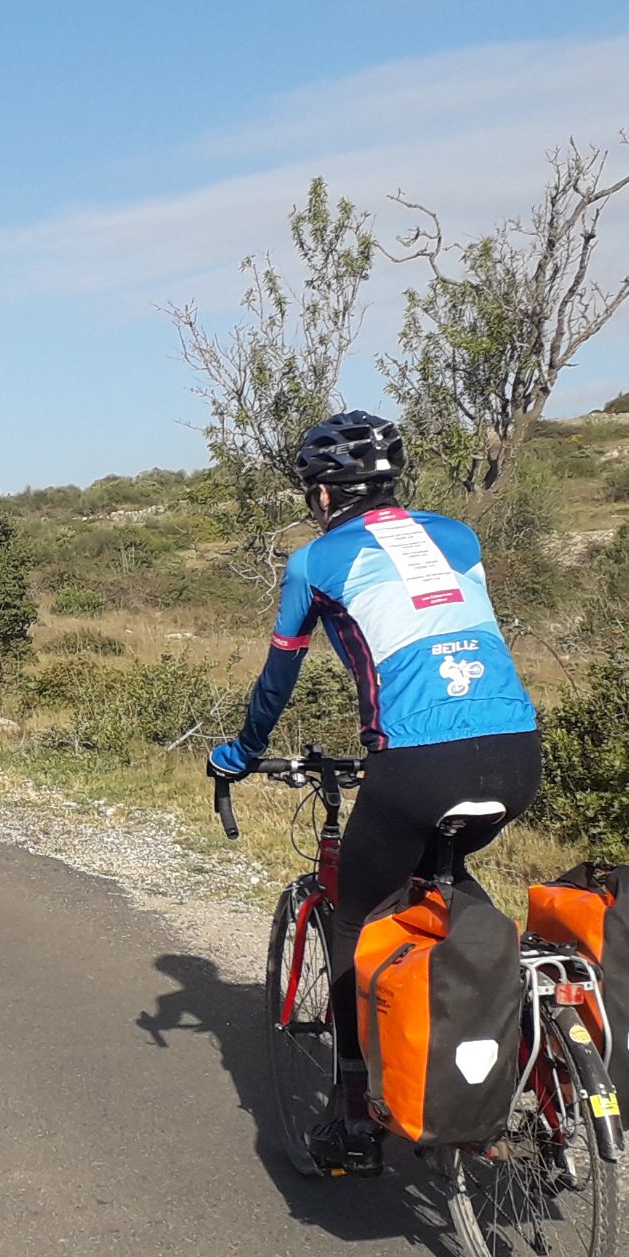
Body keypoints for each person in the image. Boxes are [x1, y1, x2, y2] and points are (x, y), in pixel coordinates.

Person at [206, 410, 542, 1176]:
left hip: (419, 764)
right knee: (443, 878)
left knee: (357, 915)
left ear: (324, 494)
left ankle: (354, 1112)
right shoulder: (458, 536)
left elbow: (278, 680)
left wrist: (240, 754)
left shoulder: (315, 561)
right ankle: (527, 1042)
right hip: (517, 752)